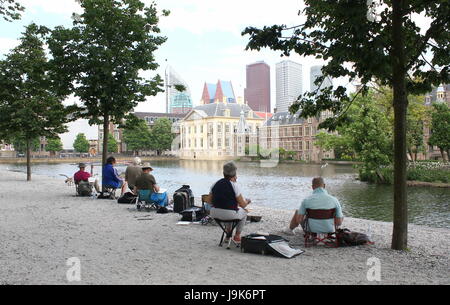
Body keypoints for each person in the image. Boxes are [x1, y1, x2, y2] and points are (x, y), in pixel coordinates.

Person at [206, 161, 251, 244]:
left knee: (230, 210)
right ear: (234, 173)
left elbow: (208, 201)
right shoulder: (234, 185)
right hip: (229, 214)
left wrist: (221, 202)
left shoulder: (215, 183)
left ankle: (228, 236)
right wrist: (247, 201)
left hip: (214, 213)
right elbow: (243, 205)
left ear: (223, 173)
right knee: (244, 212)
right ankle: (237, 236)